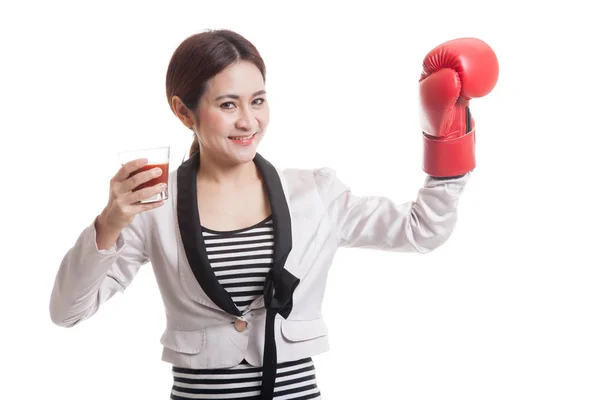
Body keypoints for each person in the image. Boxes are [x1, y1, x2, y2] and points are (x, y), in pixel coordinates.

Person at [49, 29, 498, 399]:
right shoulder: (152, 207)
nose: (249, 121)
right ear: (183, 111)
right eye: (228, 105)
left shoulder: (313, 193)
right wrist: (109, 223)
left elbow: (421, 231)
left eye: (258, 100)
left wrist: (447, 139)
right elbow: (67, 312)